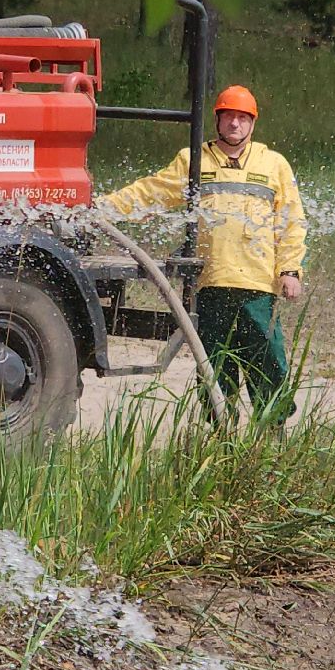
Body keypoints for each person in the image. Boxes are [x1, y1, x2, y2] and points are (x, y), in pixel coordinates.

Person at [101, 85, 307, 422]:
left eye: (243, 118)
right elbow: (151, 191)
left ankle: (271, 431)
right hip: (209, 284)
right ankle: (219, 433)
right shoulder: (194, 160)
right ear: (217, 120)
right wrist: (101, 210)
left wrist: (290, 269)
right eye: (229, 117)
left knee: (267, 360)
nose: (235, 124)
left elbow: (291, 220)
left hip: (258, 287)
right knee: (214, 366)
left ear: (253, 123)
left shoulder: (274, 164)